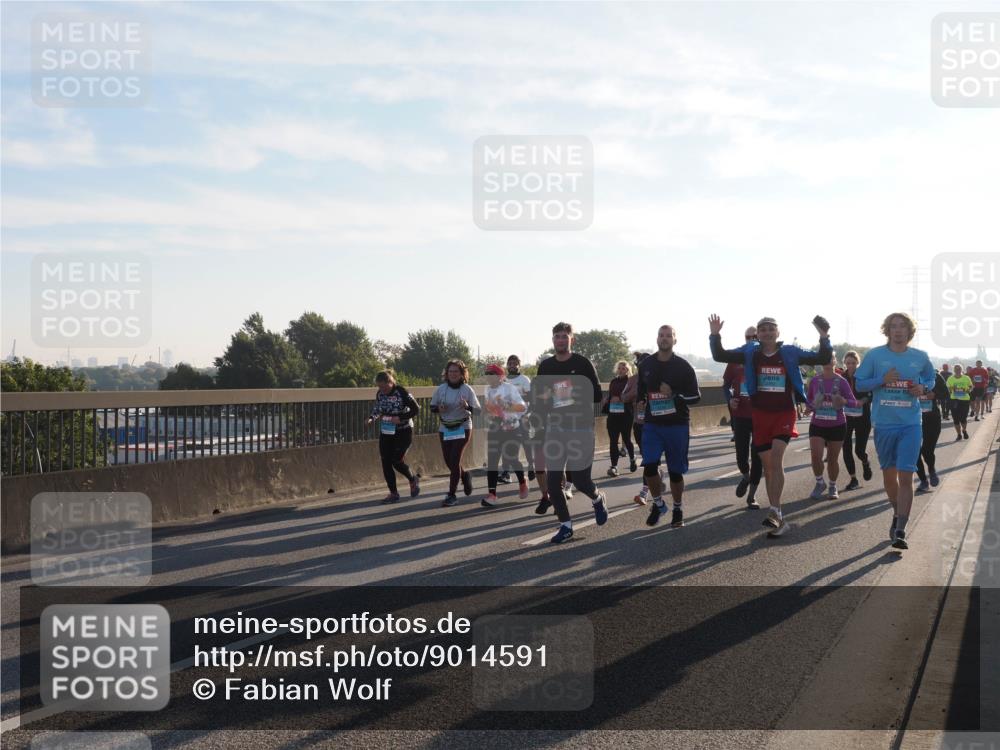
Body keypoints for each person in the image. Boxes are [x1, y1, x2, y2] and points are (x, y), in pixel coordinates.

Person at [709, 313, 833, 538]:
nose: (766, 332)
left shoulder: (789, 352)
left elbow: (822, 356)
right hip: (760, 414)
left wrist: (824, 336)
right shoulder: (750, 352)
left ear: (778, 332)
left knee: (776, 459)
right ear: (758, 334)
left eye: (770, 329)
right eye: (762, 329)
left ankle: (774, 510)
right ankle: (779, 517)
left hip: (783, 413)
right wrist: (715, 335)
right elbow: (720, 355)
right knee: (768, 468)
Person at [853, 312, 937, 551]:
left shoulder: (920, 357)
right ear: (887, 330)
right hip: (884, 425)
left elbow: (931, 380)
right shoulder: (875, 356)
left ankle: (901, 529)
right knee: (890, 478)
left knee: (906, 475)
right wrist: (882, 379)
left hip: (911, 423)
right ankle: (896, 512)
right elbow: (859, 384)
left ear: (910, 331)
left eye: (902, 326)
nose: (898, 330)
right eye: (893, 326)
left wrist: (922, 387)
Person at [536, 322, 608, 544]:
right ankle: (566, 526)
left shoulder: (583, 363)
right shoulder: (545, 366)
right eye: (557, 336)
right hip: (556, 428)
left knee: (579, 480)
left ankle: (597, 498)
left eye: (564, 336)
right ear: (552, 340)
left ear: (571, 340)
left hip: (581, 428)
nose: (560, 340)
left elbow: (597, 395)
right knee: (554, 480)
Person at [637, 325, 702, 527]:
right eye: (661, 335)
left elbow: (695, 397)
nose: (664, 339)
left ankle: (677, 508)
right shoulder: (646, 364)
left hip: (677, 425)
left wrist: (674, 393)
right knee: (649, 466)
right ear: (657, 339)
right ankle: (658, 504)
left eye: (668, 336)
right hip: (653, 424)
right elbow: (641, 391)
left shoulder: (683, 367)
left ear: (675, 340)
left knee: (675, 472)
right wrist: (640, 403)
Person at [805, 353, 858, 500]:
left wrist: (843, 401)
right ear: (821, 362)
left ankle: (833, 485)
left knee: (832, 459)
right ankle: (819, 482)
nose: (828, 362)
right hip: (817, 424)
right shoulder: (815, 380)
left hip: (837, 424)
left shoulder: (841, 381)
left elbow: (853, 402)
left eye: (831, 359)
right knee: (816, 456)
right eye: (825, 359)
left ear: (835, 361)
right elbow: (809, 400)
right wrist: (809, 407)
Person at [430, 360, 481, 507]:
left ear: (462, 374)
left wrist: (467, 406)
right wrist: (439, 408)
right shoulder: (441, 389)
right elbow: (432, 407)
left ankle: (451, 495)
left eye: (456, 372)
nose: (453, 374)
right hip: (445, 428)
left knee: (455, 459)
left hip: (462, 427)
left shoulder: (467, 389)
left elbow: (478, 411)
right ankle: (465, 475)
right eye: (450, 371)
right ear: (446, 373)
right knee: (449, 462)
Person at [722, 326, 762, 508]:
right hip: (740, 415)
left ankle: (752, 496)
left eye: (755, 336)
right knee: (741, 455)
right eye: (749, 336)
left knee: (758, 456)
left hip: (761, 415)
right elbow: (726, 385)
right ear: (744, 338)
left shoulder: (766, 358)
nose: (752, 338)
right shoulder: (736, 359)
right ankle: (745, 476)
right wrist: (730, 399)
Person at [366, 370, 421, 503]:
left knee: (396, 461)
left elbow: (416, 409)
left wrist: (400, 417)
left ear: (391, 382)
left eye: (384, 386)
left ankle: (412, 479)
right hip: (387, 431)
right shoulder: (380, 394)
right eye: (379, 387)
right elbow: (378, 408)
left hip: (404, 430)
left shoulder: (401, 392)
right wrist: (371, 418)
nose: (382, 389)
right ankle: (393, 493)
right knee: (385, 462)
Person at [481, 364, 529, 507]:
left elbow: (522, 407)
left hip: (512, 427)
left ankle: (522, 481)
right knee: (492, 461)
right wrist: (488, 409)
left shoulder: (510, 388)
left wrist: (507, 405)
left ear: (499, 375)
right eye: (486, 374)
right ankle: (492, 494)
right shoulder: (487, 389)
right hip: (495, 427)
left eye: (491, 373)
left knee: (511, 458)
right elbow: (489, 409)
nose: (488, 376)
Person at [841, 350, 874, 491]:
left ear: (857, 363)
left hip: (863, 417)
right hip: (846, 417)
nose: (850, 365)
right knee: (846, 448)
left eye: (853, 363)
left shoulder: (864, 376)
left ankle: (865, 462)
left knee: (859, 450)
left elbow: (871, 394)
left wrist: (863, 400)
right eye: (848, 363)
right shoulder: (840, 378)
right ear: (844, 363)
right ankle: (853, 478)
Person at [622, 352, 653, 504]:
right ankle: (655, 477)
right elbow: (623, 397)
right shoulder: (633, 380)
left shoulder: (657, 377)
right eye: (641, 365)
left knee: (649, 459)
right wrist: (636, 394)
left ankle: (644, 492)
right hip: (638, 423)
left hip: (655, 424)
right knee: (648, 459)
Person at [500, 355, 534, 483]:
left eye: (515, 363)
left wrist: (527, 414)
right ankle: (506, 472)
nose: (512, 366)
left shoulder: (524, 379)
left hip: (523, 417)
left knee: (526, 443)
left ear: (519, 365)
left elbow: (531, 398)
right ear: (507, 365)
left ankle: (531, 465)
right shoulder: (503, 380)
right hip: (508, 419)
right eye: (510, 363)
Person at [915, 369, 950, 492]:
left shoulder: (935, 376)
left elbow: (946, 393)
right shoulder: (907, 376)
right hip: (912, 419)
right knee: (915, 452)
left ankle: (931, 469)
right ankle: (923, 481)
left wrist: (934, 394)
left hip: (932, 418)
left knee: (927, 450)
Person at [603, 360, 637, 477]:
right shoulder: (613, 381)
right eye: (619, 368)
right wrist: (607, 399)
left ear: (628, 370)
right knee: (613, 441)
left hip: (626, 414)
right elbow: (611, 394)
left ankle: (632, 458)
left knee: (626, 439)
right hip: (613, 414)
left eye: (624, 368)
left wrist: (621, 399)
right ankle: (614, 466)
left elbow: (633, 394)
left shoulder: (631, 381)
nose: (621, 370)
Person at [946, 364, 973, 440]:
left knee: (963, 418)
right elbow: (948, 389)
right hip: (954, 400)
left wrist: (968, 390)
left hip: (964, 400)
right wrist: (952, 389)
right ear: (954, 370)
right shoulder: (950, 379)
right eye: (956, 369)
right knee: (956, 419)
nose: (957, 370)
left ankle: (964, 430)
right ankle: (959, 434)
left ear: (961, 370)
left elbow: (971, 387)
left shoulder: (966, 378)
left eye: (959, 369)